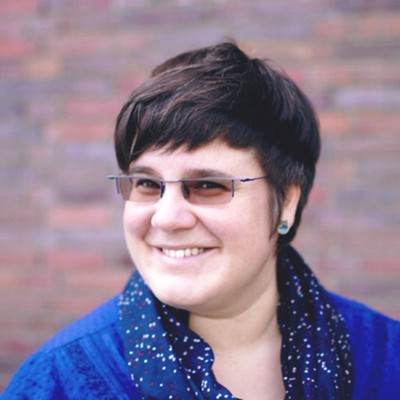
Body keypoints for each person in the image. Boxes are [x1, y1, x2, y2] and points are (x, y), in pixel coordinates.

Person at [2, 42, 399, 400]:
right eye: (146, 184)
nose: (168, 217)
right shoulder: (56, 383)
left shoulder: (387, 362)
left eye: (208, 185)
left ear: (287, 201)